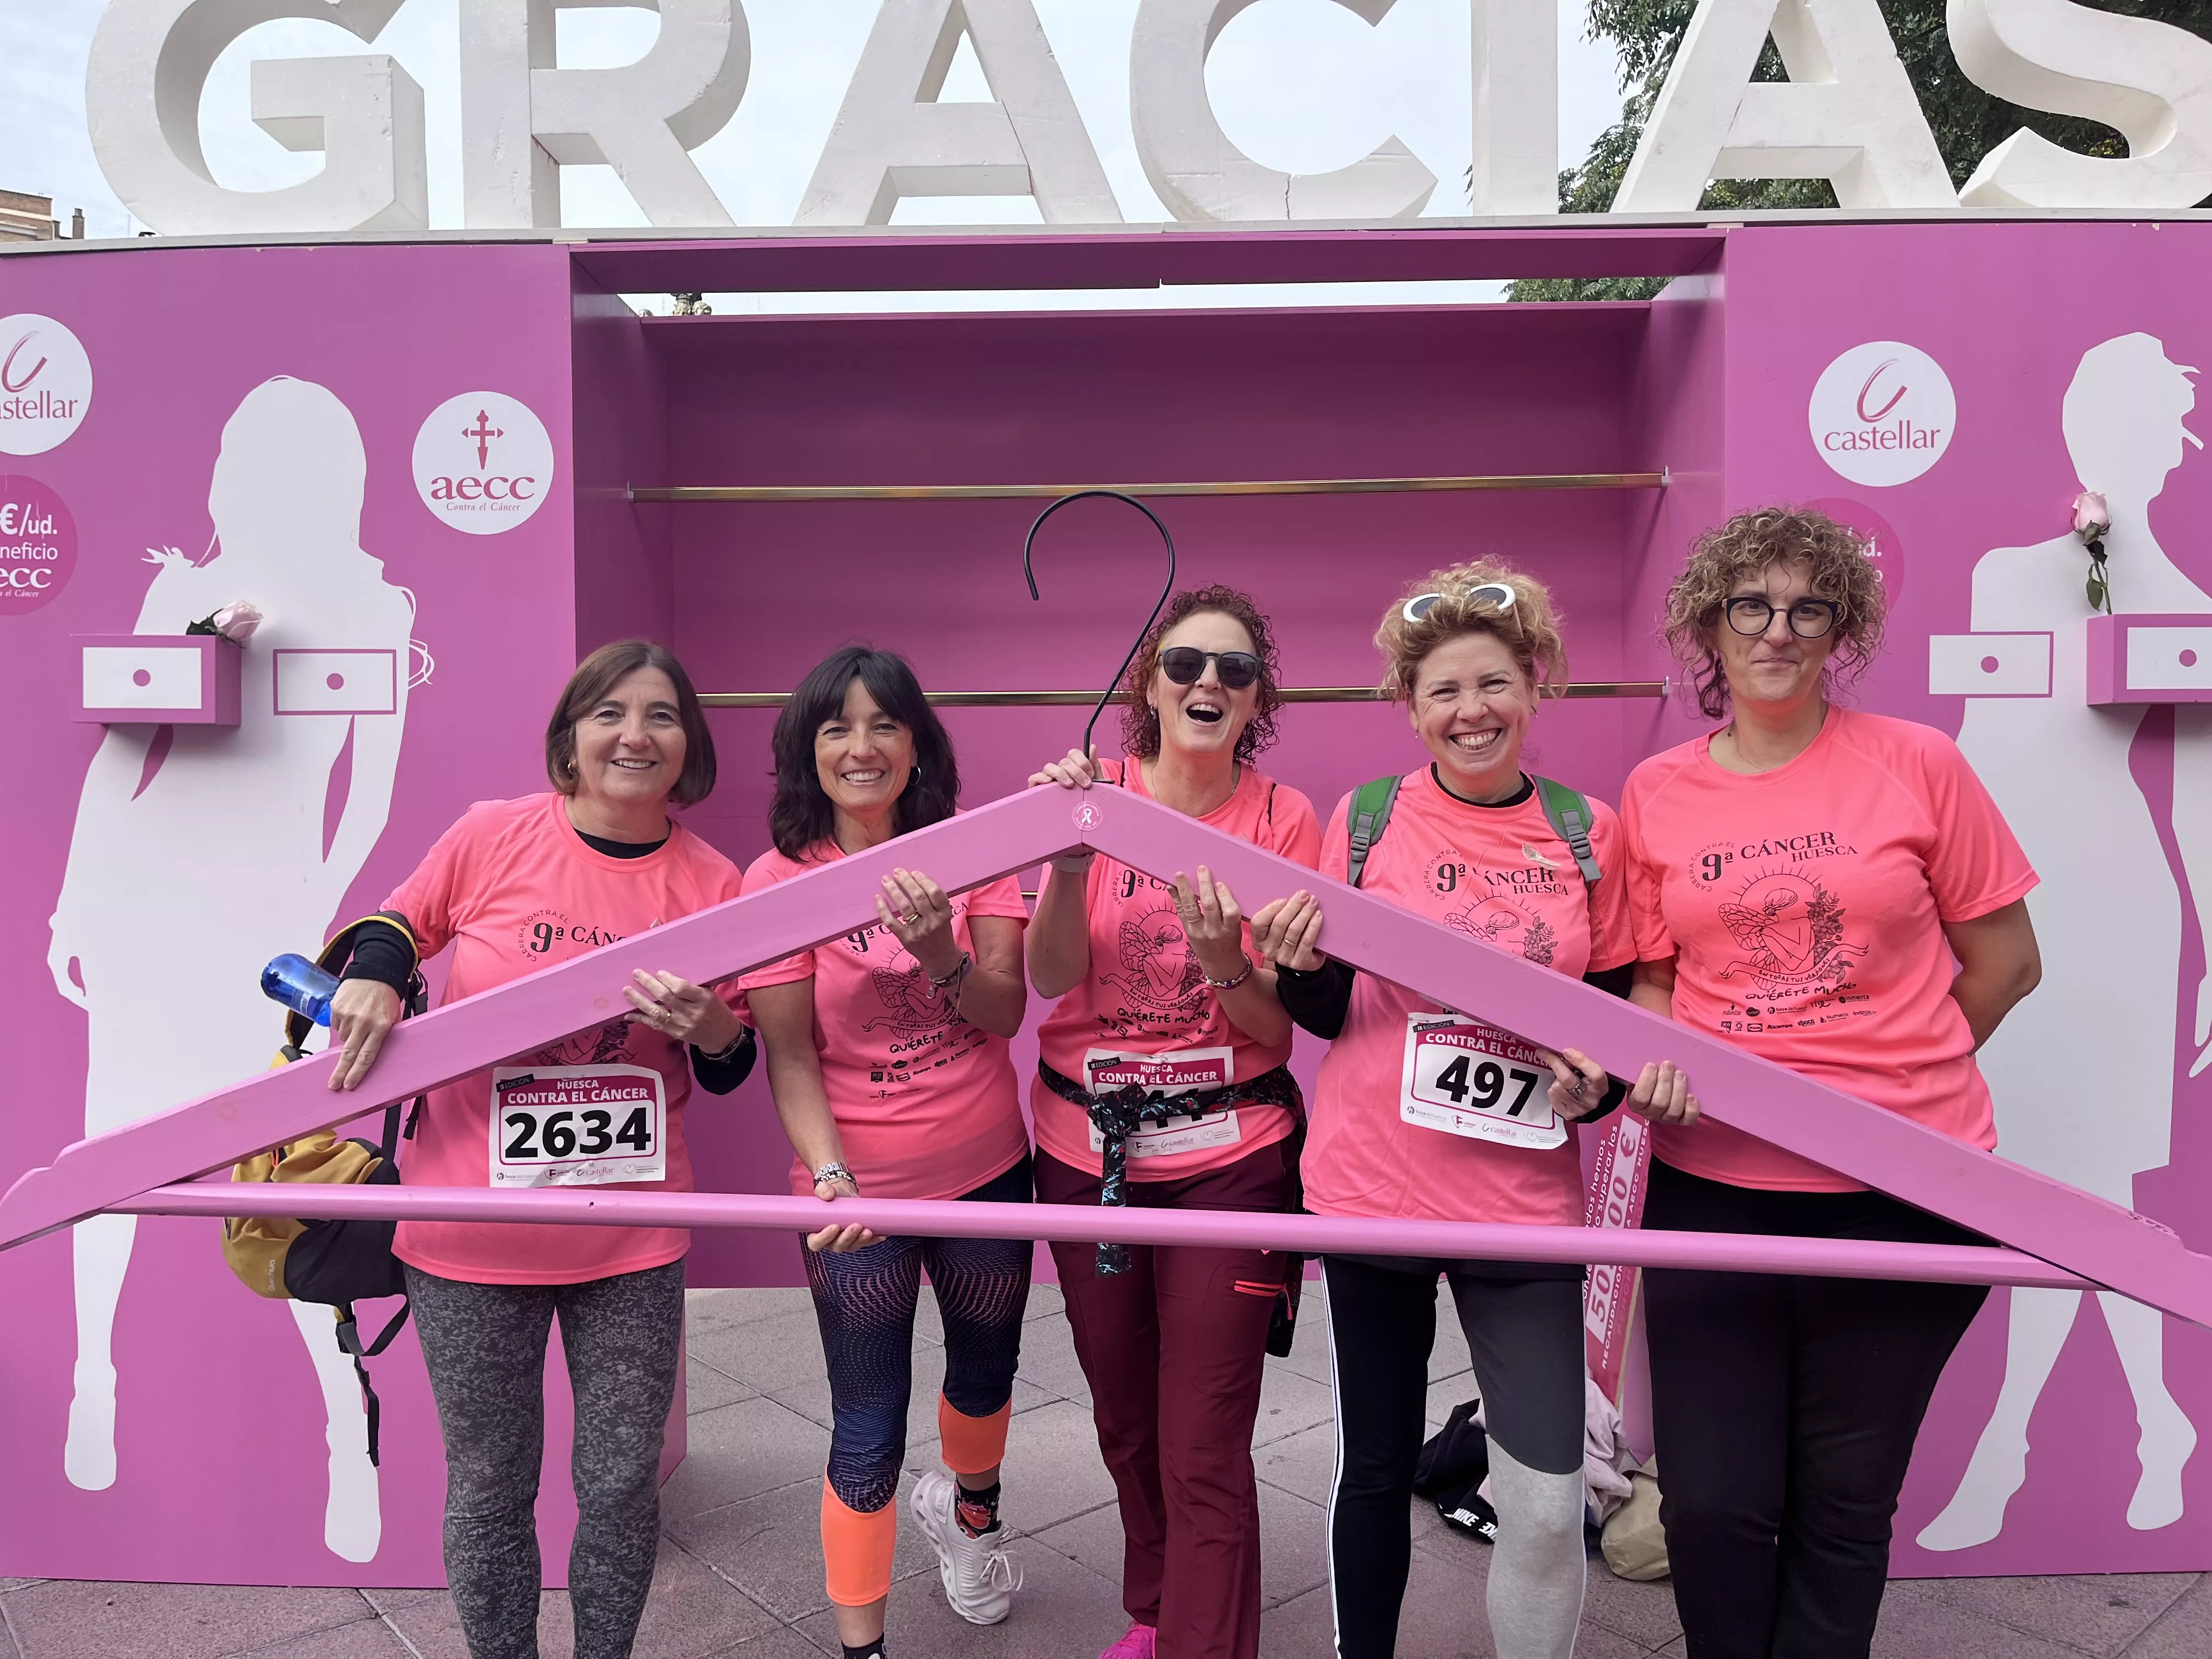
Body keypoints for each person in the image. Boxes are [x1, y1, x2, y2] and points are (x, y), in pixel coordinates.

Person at [1250, 561, 1694, 1659]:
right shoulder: (1365, 820)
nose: (1471, 711)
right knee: (1374, 1469)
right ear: (1411, 708)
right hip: (1373, 1194)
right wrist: (1299, 966)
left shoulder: (1587, 831)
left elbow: (1614, 1018)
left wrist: (1599, 1082)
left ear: (1535, 687)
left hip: (1522, 1210)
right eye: (1443, 691)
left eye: (1493, 683)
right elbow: (1328, 1011)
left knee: (1543, 1499)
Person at [1620, 507, 2042, 1658]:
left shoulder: (1918, 762)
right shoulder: (1657, 791)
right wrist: (1658, 1058)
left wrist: (1893, 1081)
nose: (1778, 630)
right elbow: (1653, 976)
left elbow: (2009, 963)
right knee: (1712, 1507)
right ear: (1710, 625)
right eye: (1752, 606)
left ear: (1841, 629)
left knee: (1842, 1508)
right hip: (1715, 1190)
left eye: (1809, 608)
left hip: (1908, 1192)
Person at [324, 638, 756, 1659]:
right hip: (469, 1235)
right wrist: (377, 973)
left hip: (630, 1241)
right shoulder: (494, 834)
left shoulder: (715, 881)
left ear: (688, 744)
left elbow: (734, 1063)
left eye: (660, 715)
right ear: (571, 737)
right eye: (610, 713)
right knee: (489, 1482)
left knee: (620, 1483)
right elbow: (396, 922)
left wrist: (710, 1028)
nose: (635, 735)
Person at [49, 376, 414, 1556]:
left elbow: (372, 794)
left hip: (271, 934)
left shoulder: (374, 606)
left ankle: (347, 1431)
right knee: (110, 1160)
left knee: (288, 1182)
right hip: (149, 914)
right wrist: (72, 905)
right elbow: (122, 759)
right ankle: (92, 1383)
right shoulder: (187, 589)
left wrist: (321, 905)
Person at [1026, 585, 1321, 1659]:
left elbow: (1277, 1029)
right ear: (1148, 685)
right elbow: (1049, 976)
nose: (1209, 683)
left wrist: (1222, 958)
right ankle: (1156, 1611)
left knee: (1205, 1435)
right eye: (1186, 664)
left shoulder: (1284, 820)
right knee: (1125, 1414)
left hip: (1230, 1156)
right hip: (1087, 1152)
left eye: (1235, 670)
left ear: (1258, 700)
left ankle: (1206, 1642)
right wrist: (1067, 863)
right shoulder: (1087, 797)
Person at [740, 646, 1034, 1659]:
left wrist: (941, 949)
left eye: (884, 725)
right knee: (868, 1422)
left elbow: (1004, 1013)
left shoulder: (975, 850)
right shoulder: (777, 881)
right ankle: (861, 1648)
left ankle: (971, 1522)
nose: (861, 748)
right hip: (853, 1197)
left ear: (918, 744)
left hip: (987, 1176)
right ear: (807, 751)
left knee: (986, 1372)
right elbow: (788, 1055)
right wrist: (832, 1177)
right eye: (837, 728)